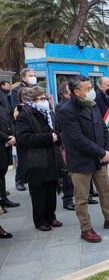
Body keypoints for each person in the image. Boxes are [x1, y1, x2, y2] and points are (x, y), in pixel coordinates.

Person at [57, 75, 109, 243]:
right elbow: (76, 138)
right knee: (81, 198)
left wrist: (107, 149)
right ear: (77, 92)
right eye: (87, 89)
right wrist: (101, 152)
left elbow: (103, 128)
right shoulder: (66, 111)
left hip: (99, 158)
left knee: (106, 189)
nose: (92, 91)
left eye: (91, 88)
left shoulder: (92, 105)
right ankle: (86, 228)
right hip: (81, 161)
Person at [15, 86, 64, 232]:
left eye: (45, 98)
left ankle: (51, 216)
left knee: (51, 190)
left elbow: (59, 131)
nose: (45, 101)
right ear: (31, 100)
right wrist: (49, 138)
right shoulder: (25, 115)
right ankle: (40, 220)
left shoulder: (49, 113)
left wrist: (57, 137)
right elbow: (24, 138)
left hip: (52, 158)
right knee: (39, 193)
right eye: (41, 99)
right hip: (35, 161)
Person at [11, 68, 38, 191]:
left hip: (37, 124)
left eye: (34, 75)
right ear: (24, 78)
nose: (33, 77)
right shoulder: (17, 91)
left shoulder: (36, 89)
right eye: (30, 75)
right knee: (23, 154)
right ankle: (19, 179)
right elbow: (16, 108)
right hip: (24, 124)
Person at [55, 82, 76, 211]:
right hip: (67, 143)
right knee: (67, 173)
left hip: (77, 143)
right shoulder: (60, 106)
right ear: (64, 93)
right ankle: (67, 199)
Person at [0, 93, 19, 210]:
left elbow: (10, 122)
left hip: (6, 145)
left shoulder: (2, 108)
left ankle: (3, 198)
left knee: (2, 172)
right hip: (3, 142)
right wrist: (7, 138)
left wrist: (13, 135)